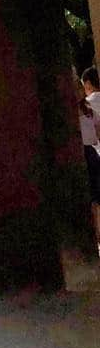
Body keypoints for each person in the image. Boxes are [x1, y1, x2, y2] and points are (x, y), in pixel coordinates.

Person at [79, 66, 100, 246]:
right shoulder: (87, 109)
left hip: (86, 152)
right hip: (92, 152)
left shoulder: (88, 105)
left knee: (91, 197)